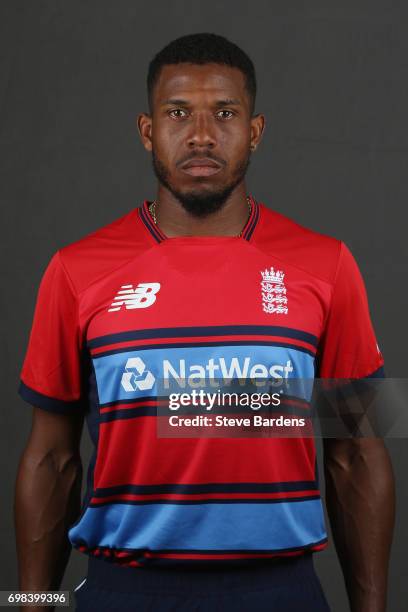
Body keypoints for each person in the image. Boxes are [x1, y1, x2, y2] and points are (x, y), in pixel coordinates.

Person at [15, 33, 395, 612]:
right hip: (124, 589)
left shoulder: (328, 265)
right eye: (177, 113)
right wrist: (27, 605)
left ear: (255, 130)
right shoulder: (75, 270)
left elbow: (359, 453)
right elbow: (51, 459)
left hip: (280, 590)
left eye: (223, 113)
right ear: (147, 131)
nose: (200, 135)